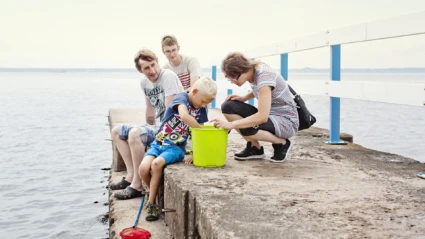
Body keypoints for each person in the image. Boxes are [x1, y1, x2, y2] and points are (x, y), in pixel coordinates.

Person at [109, 49, 184, 200]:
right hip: (158, 127)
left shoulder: (168, 77)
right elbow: (150, 110)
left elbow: (170, 114)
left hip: (172, 130)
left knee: (135, 133)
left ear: (157, 62)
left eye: (153, 65)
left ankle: (137, 185)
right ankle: (130, 176)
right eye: (146, 68)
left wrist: (146, 134)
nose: (152, 70)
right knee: (117, 131)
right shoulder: (144, 82)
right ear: (139, 70)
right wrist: (147, 127)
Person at [139, 76, 217, 221]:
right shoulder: (182, 98)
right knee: (143, 168)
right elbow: (184, 115)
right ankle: (153, 193)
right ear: (194, 91)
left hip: (175, 149)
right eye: (203, 101)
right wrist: (199, 127)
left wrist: (195, 153)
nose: (204, 105)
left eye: (208, 103)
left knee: (156, 165)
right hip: (158, 143)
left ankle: (151, 204)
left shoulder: (202, 110)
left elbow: (199, 136)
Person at [211, 52, 299, 163]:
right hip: (271, 116)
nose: (233, 82)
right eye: (229, 79)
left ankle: (282, 143)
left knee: (247, 124)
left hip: (286, 121)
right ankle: (254, 148)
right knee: (228, 106)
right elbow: (262, 90)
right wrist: (244, 98)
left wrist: (231, 125)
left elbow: (262, 117)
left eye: (234, 78)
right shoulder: (254, 71)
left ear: (243, 71)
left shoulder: (264, 76)